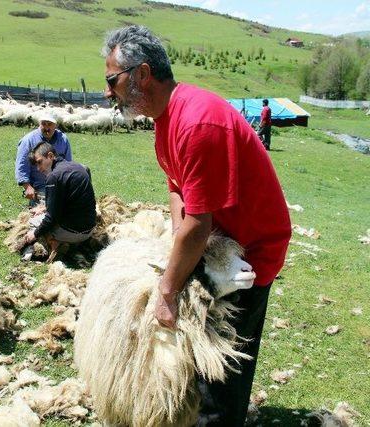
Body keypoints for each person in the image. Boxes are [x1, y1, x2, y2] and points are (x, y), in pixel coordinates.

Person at [101, 26, 291, 426]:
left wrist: (167, 292)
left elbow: (199, 221)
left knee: (221, 368)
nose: (108, 91)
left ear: (142, 74)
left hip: (248, 254)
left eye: (112, 79)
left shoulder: (198, 122)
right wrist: (179, 239)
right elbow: (177, 187)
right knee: (196, 349)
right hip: (219, 243)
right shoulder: (165, 119)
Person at [23, 142, 96, 255]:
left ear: (51, 156)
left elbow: (51, 218)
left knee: (33, 221)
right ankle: (76, 244)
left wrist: (35, 234)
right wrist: (47, 208)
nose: (38, 168)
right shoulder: (80, 167)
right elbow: (69, 201)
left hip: (72, 233)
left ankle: (54, 243)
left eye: (39, 162)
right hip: (90, 230)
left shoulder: (53, 177)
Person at [15, 114, 72, 205]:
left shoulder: (63, 140)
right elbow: (22, 165)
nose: (46, 128)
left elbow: (68, 164)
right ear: (39, 124)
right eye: (43, 124)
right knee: (42, 215)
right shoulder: (28, 140)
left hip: (59, 185)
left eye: (49, 124)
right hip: (40, 186)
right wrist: (27, 187)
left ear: (56, 125)